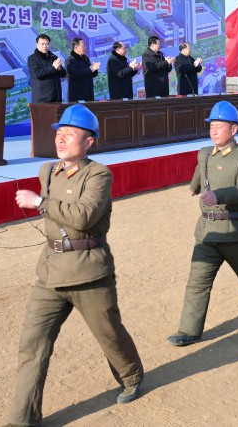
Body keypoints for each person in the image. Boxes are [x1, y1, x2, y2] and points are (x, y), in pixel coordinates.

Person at [7, 105, 144, 425]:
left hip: (89, 271)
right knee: (32, 345)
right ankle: (22, 419)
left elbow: (83, 217)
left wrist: (40, 203)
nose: (61, 139)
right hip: (51, 270)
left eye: (70, 134)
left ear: (89, 142)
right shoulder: (47, 172)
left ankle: (131, 375)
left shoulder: (98, 174)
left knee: (109, 333)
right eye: (59, 133)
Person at [167, 101, 238, 346]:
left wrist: (220, 195)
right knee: (197, 282)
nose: (214, 131)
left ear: (234, 129)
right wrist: (194, 188)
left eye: (219, 126)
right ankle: (189, 330)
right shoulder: (204, 153)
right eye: (212, 126)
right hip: (207, 232)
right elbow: (201, 173)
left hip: (236, 231)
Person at [27, 33, 67, 103]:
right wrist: (53, 68)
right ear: (37, 45)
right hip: (42, 100)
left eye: (47, 44)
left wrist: (59, 69)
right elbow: (37, 74)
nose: (45, 46)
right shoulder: (32, 58)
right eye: (42, 44)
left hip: (56, 99)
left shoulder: (53, 57)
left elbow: (63, 74)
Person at [64, 37, 100, 102]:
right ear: (76, 47)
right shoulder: (69, 60)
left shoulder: (85, 58)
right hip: (77, 95)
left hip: (89, 94)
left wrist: (95, 69)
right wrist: (91, 69)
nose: (85, 47)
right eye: (83, 45)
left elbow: (90, 73)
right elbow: (75, 74)